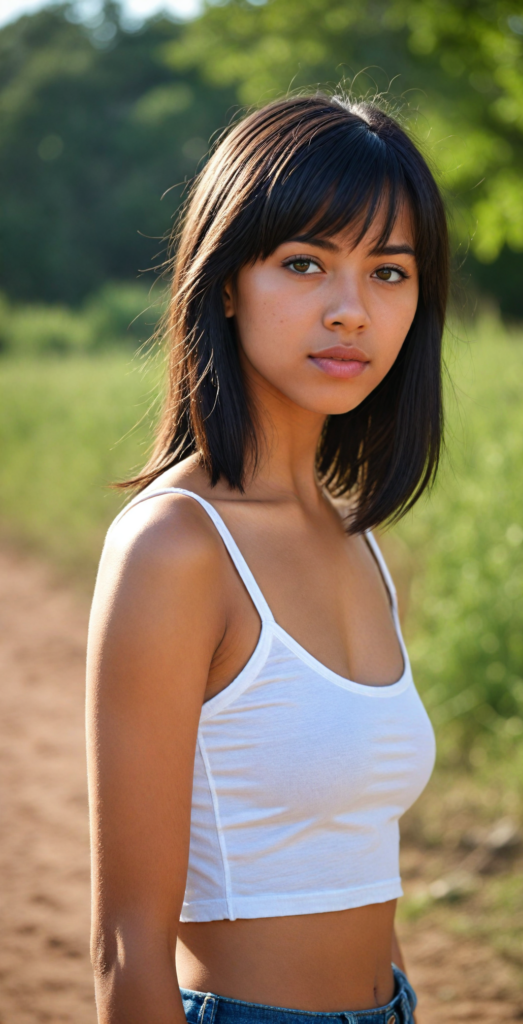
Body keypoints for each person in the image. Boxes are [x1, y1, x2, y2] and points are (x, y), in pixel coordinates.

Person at [86, 93, 449, 1024]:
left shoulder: (358, 537)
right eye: (304, 263)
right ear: (224, 282)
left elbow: (356, 845)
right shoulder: (175, 547)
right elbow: (126, 942)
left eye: (389, 271)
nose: (350, 311)